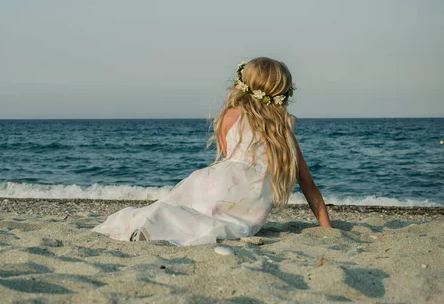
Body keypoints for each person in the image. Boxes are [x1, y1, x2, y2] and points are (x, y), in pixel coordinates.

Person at [92, 57, 332, 246]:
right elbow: (308, 184)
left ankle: (149, 222)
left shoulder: (231, 114)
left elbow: (228, 155)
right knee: (220, 225)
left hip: (214, 183)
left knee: (187, 210)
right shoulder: (283, 133)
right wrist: (326, 227)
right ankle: (152, 225)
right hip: (248, 200)